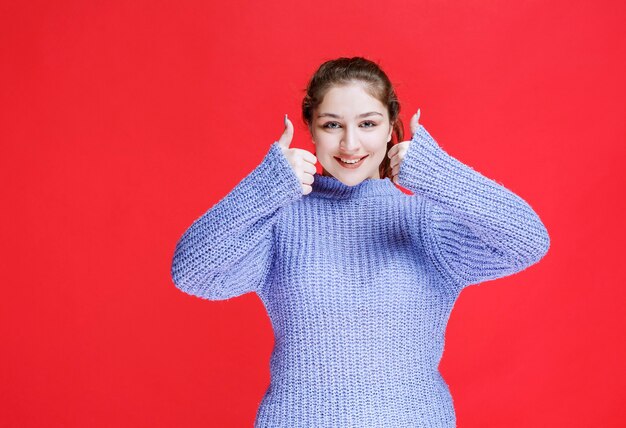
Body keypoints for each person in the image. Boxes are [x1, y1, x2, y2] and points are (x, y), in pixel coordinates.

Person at [170, 57, 550, 427]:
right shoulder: (280, 219)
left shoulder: (425, 222)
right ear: (311, 128)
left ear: (390, 128)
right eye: (332, 124)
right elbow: (192, 274)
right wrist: (264, 187)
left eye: (367, 123)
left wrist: (438, 172)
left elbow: (527, 241)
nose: (350, 143)